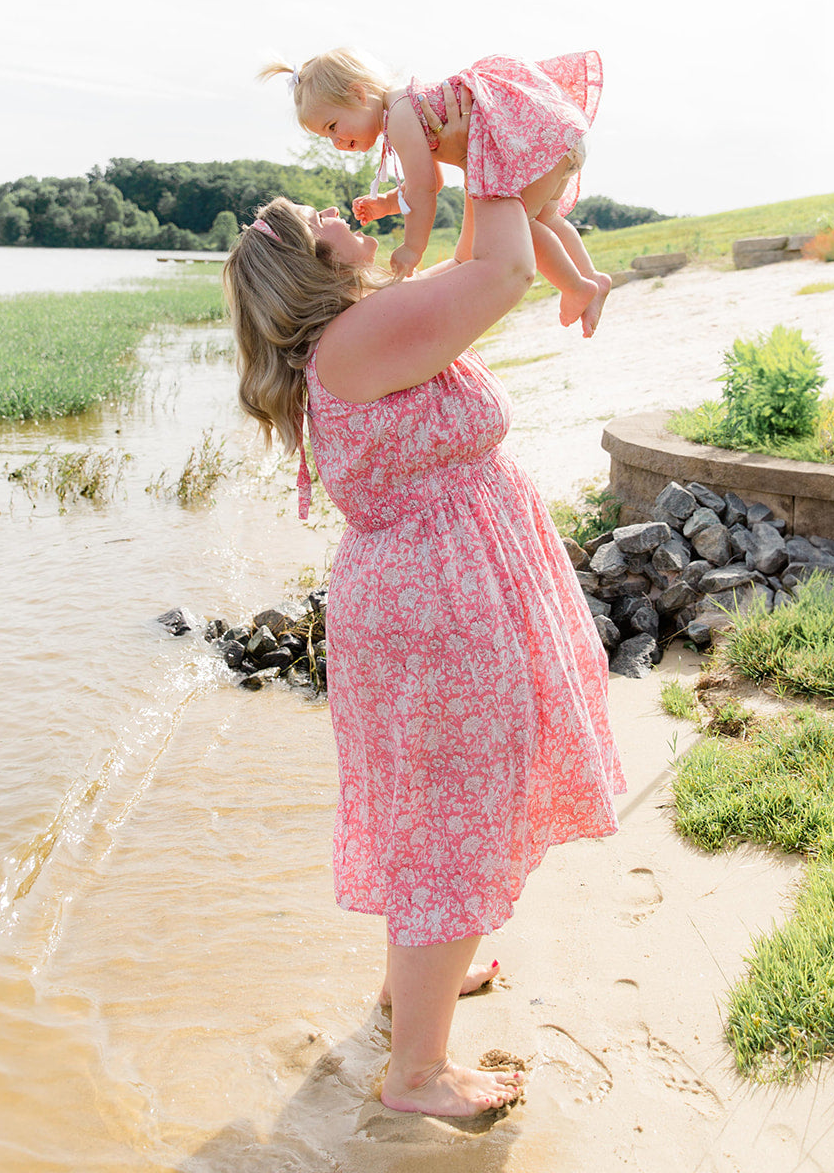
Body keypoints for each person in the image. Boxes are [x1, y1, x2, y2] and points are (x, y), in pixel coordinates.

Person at [222, 94, 625, 1120]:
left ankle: (421, 989)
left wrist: (456, 162)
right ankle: (415, 1072)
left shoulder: (363, 331)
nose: (347, 218)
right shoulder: (356, 336)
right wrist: (486, 131)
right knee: (449, 812)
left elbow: (476, 263)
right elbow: (499, 269)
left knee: (443, 804)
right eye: (327, 224)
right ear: (309, 267)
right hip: (434, 605)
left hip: (438, 592)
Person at [260, 47, 611, 334]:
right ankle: (592, 276)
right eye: (328, 137)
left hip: (539, 142)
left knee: (523, 224)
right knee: (546, 217)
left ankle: (576, 287)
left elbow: (425, 189)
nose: (338, 142)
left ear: (358, 94)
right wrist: (385, 204)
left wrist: (413, 248)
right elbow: (431, 182)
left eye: (334, 126)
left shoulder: (398, 115)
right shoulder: (404, 110)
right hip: (558, 138)